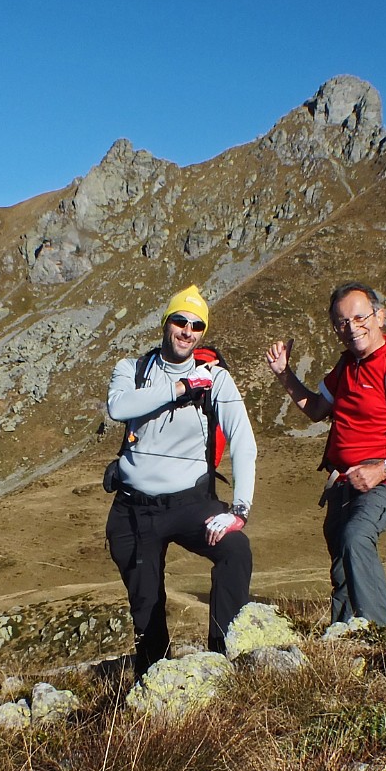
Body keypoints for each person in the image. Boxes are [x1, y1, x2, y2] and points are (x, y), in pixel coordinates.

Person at [266, 282, 386, 631]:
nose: (351, 327)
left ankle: (380, 636)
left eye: (359, 317)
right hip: (342, 484)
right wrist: (284, 374)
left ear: (379, 317)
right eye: (342, 322)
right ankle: (345, 638)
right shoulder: (346, 366)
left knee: (356, 538)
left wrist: (381, 470)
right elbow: (316, 409)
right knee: (342, 564)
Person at [106, 284, 257, 679]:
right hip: (134, 509)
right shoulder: (132, 369)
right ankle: (155, 684)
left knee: (235, 551)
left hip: (192, 503)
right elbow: (119, 407)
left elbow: (243, 442)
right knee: (147, 605)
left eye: (197, 325)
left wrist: (239, 510)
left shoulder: (217, 380)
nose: (187, 331)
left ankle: (225, 659)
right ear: (166, 323)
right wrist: (180, 388)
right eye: (180, 321)